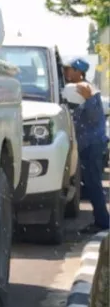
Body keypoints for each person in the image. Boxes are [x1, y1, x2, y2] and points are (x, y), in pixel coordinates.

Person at [64, 57, 109, 234]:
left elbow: (93, 117)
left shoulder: (84, 88)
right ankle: (101, 220)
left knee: (93, 184)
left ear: (78, 71)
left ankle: (103, 222)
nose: (66, 72)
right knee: (91, 184)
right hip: (89, 143)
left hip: (92, 144)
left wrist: (88, 98)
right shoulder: (82, 87)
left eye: (69, 69)